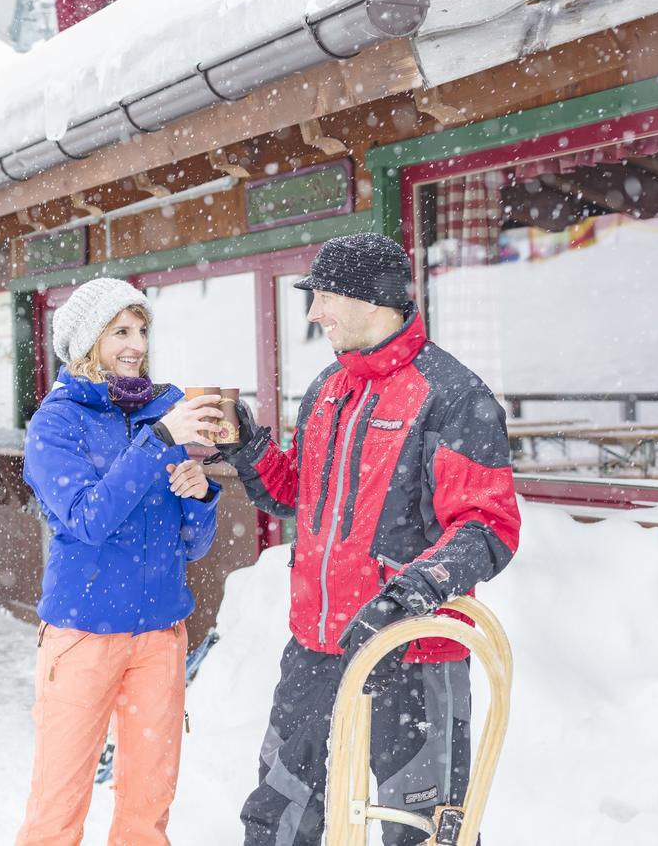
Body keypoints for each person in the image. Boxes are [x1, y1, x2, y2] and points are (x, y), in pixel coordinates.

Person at [215, 233, 522, 846]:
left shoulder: (452, 395)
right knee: (278, 811)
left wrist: (409, 596)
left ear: (373, 299)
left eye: (324, 296)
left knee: (421, 828)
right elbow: (298, 494)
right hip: (317, 644)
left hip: (410, 650)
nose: (313, 313)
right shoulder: (330, 388)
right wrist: (249, 451)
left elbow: (489, 524)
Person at [16, 277, 225, 846]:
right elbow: (86, 520)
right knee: (58, 804)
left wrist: (198, 495)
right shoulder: (56, 424)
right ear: (87, 341)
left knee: (148, 804)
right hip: (83, 633)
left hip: (161, 633)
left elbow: (192, 547)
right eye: (121, 332)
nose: (136, 344)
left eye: (141, 331)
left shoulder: (165, 410)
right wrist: (158, 443)